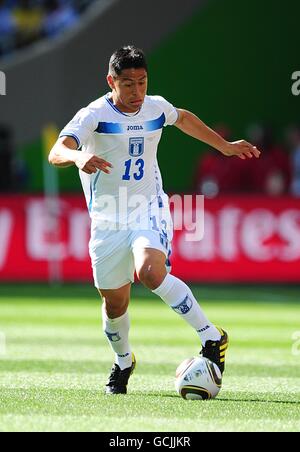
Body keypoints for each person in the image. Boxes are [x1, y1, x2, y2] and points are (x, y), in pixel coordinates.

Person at [49, 45, 260, 395]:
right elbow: (57, 149)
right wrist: (76, 155)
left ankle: (212, 337)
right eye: (128, 84)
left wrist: (222, 146)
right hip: (107, 219)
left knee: (149, 271)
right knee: (114, 303)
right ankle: (123, 361)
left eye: (142, 82)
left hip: (148, 207)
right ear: (110, 81)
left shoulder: (155, 107)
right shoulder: (94, 115)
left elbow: (183, 117)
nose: (136, 91)